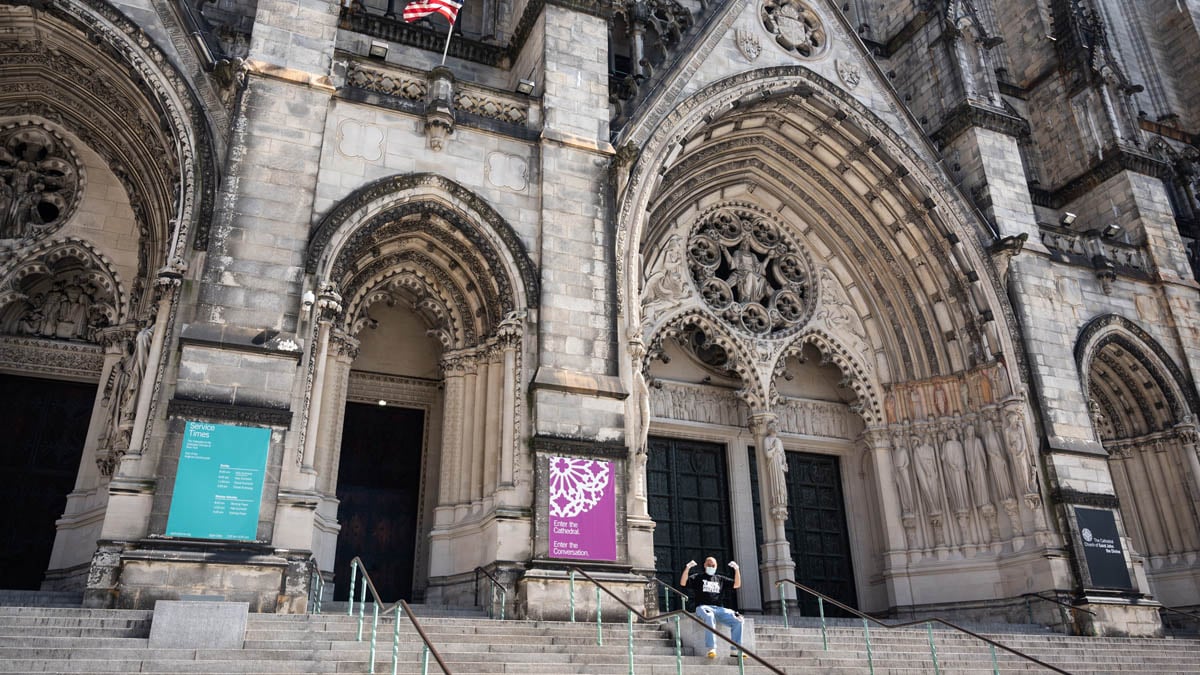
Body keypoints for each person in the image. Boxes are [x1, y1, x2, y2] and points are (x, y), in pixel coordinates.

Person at [680, 557, 743, 659]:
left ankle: (735, 650)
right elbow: (683, 583)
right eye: (709, 565)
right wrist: (687, 568)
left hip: (719, 609)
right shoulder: (698, 577)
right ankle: (711, 648)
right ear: (704, 565)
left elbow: (737, 584)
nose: (711, 567)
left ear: (716, 566)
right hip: (703, 607)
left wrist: (737, 569)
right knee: (709, 616)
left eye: (713, 565)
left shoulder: (720, 579)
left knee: (738, 620)